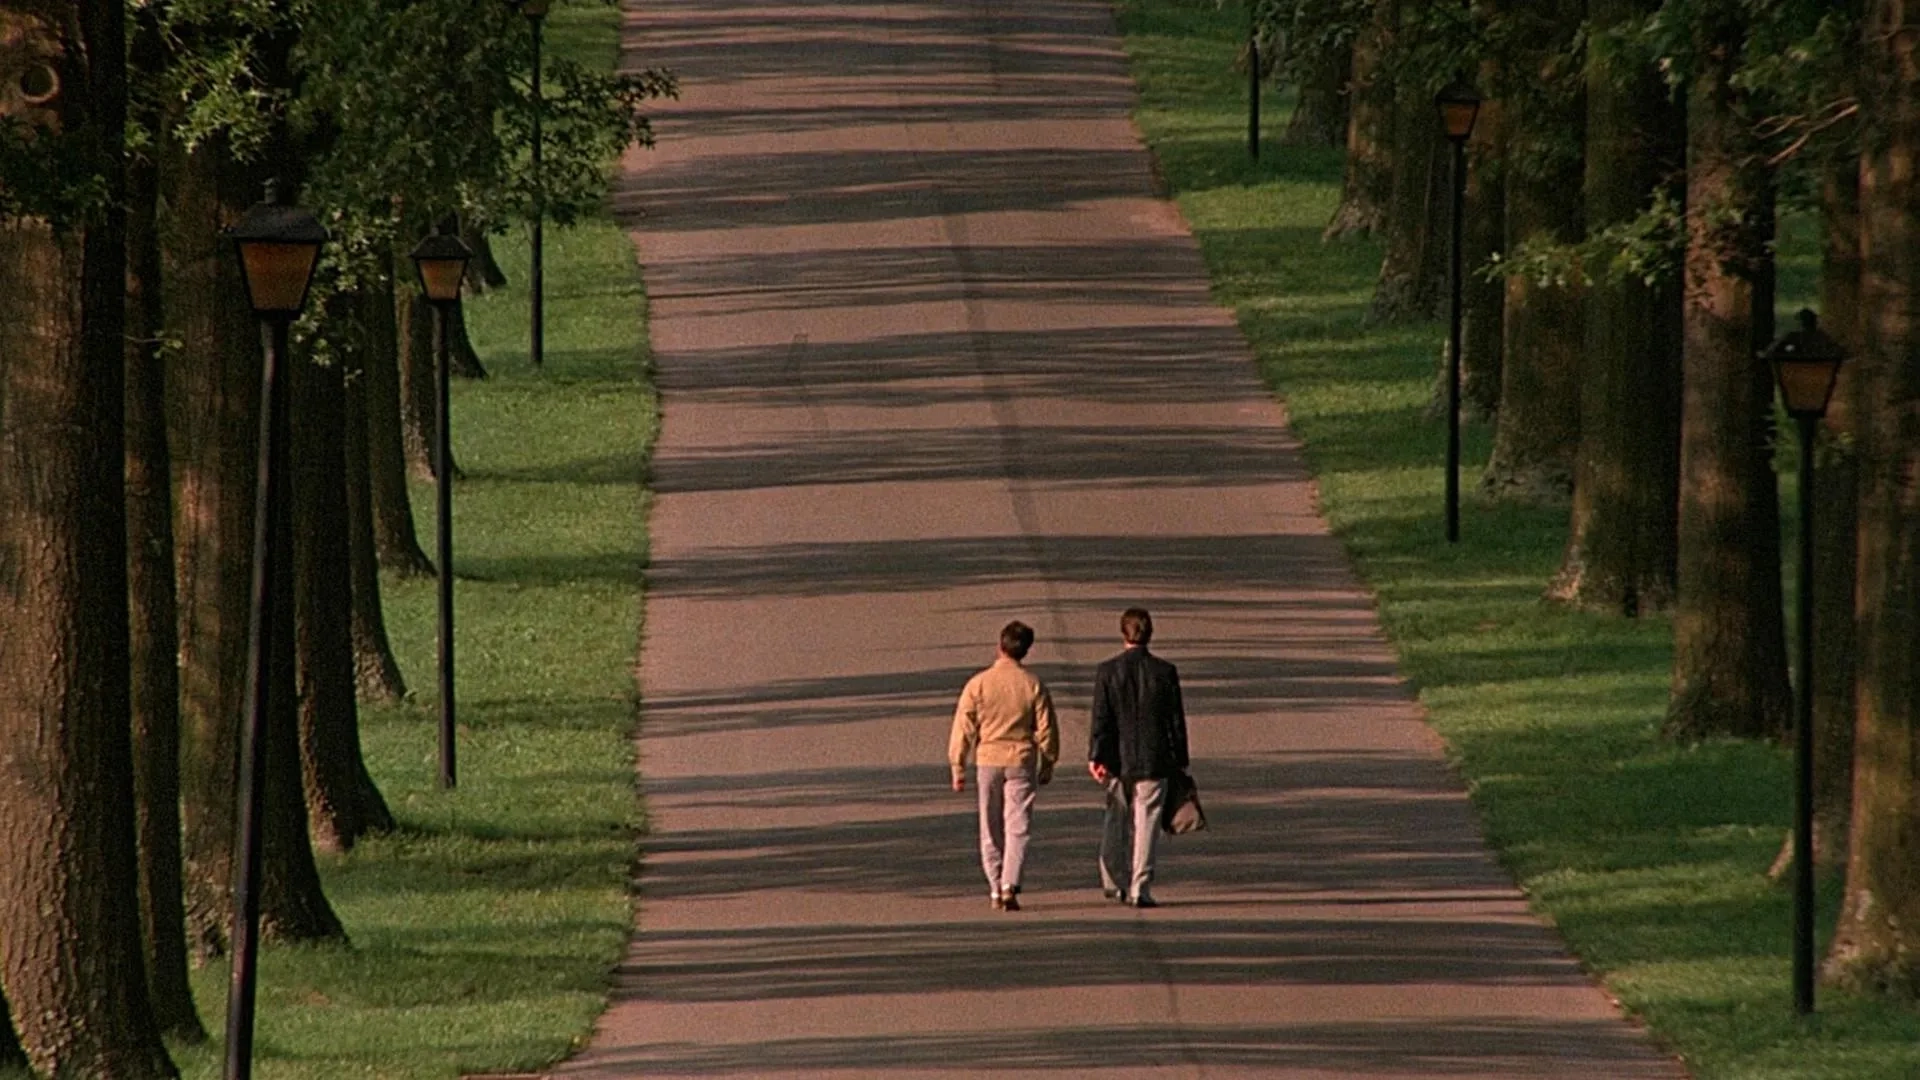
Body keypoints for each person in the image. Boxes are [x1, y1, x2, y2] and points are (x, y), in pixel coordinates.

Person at [950, 620, 1059, 912]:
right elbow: (1047, 729)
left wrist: (958, 766)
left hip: (988, 759)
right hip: (1021, 759)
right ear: (1026, 651)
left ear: (1000, 646)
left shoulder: (979, 684)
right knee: (1018, 825)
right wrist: (1048, 761)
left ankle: (996, 885)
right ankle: (1011, 883)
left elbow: (964, 727)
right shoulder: (1033, 684)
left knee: (990, 825)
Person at [1088, 607, 1188, 908]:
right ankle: (1139, 887)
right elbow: (1175, 721)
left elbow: (1101, 719)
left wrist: (1096, 756)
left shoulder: (1107, 671)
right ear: (1150, 634)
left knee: (1114, 818)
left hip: (1117, 759)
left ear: (1123, 634)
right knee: (1147, 822)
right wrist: (1180, 758)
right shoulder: (1164, 672)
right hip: (1155, 758)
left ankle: (1112, 879)